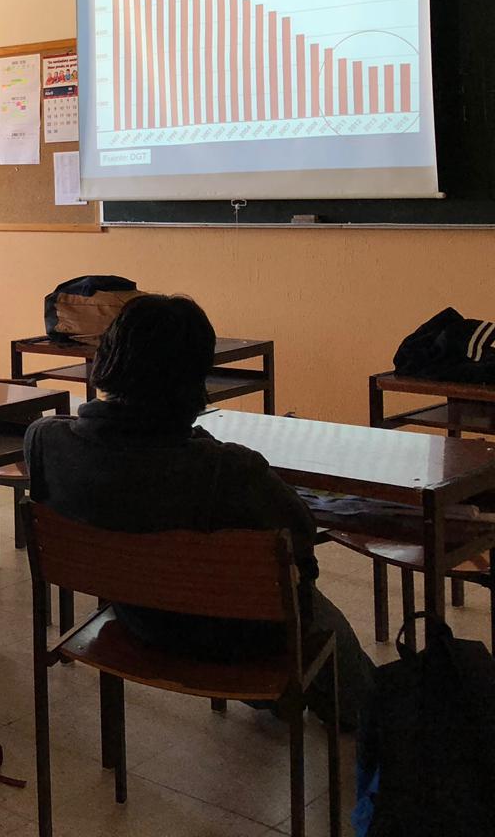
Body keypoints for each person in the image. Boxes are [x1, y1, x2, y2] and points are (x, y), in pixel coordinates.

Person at [23, 294, 373, 727]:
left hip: (133, 616)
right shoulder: (228, 469)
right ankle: (367, 717)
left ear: (107, 358)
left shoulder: (44, 441)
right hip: (224, 634)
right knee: (317, 616)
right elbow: (301, 539)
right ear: (195, 379)